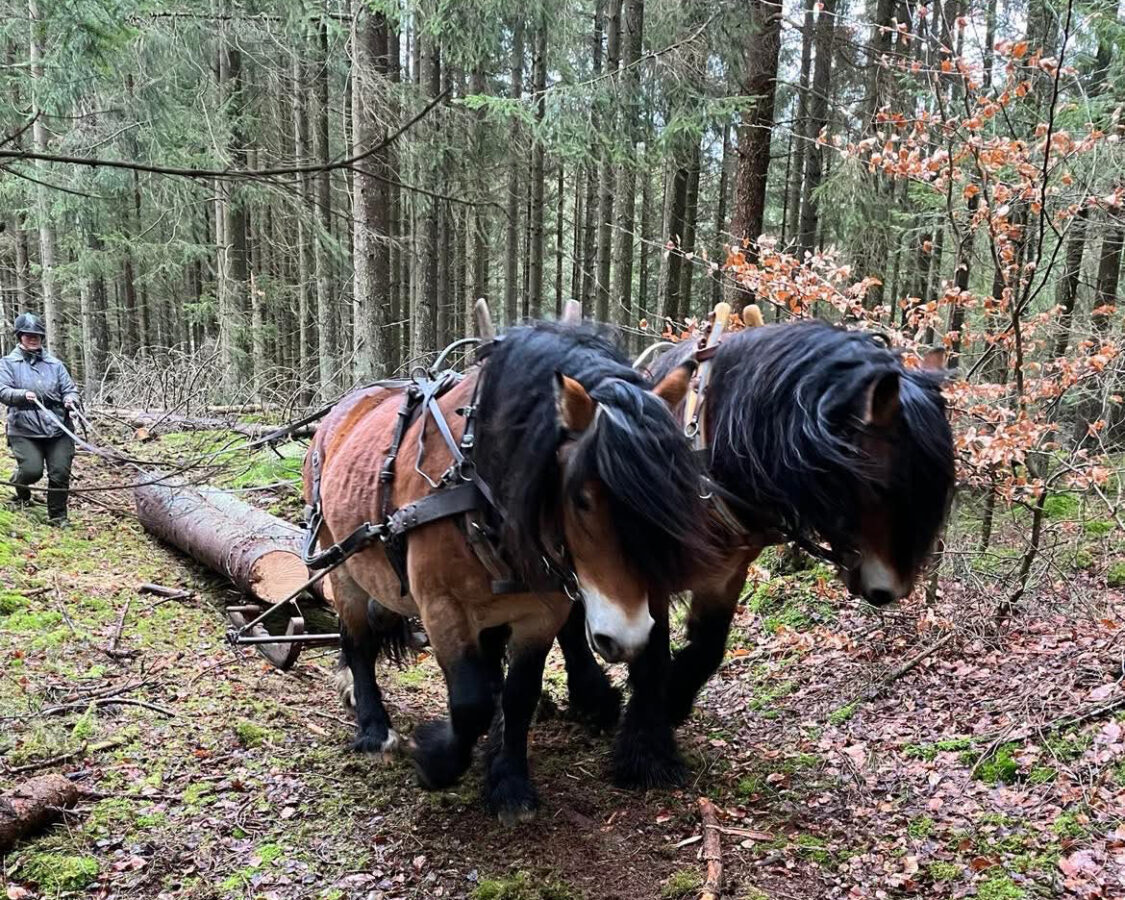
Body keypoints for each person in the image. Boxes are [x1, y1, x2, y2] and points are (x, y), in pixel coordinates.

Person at [0, 313, 80, 526]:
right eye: (28, 335)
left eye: (37, 335)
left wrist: (71, 400)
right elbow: (3, 390)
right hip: (24, 428)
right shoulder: (8, 363)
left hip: (58, 427)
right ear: (20, 337)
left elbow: (69, 389)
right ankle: (20, 488)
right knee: (31, 470)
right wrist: (20, 394)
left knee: (60, 472)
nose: (33, 338)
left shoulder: (55, 364)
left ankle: (58, 517)